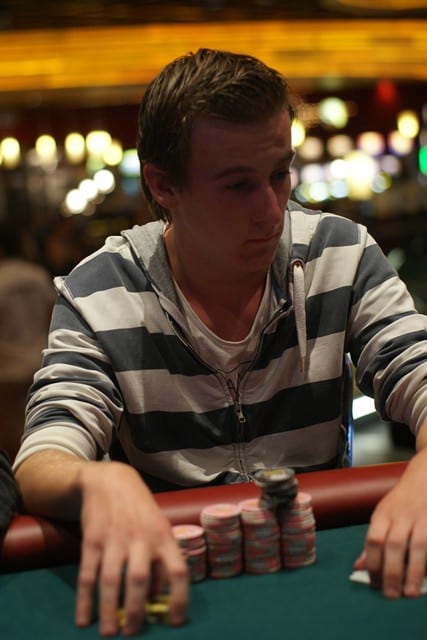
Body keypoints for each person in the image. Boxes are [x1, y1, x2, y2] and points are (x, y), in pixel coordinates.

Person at [13, 48, 427, 636]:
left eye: (280, 174)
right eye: (238, 186)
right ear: (163, 185)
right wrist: (98, 479)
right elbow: (44, 455)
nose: (272, 211)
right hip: (171, 591)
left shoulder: (341, 253)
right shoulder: (100, 292)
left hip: (320, 581)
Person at [0, 221, 56, 461]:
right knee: (41, 432)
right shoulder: (37, 275)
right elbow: (53, 317)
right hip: (39, 364)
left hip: (7, 371)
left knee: (10, 443)